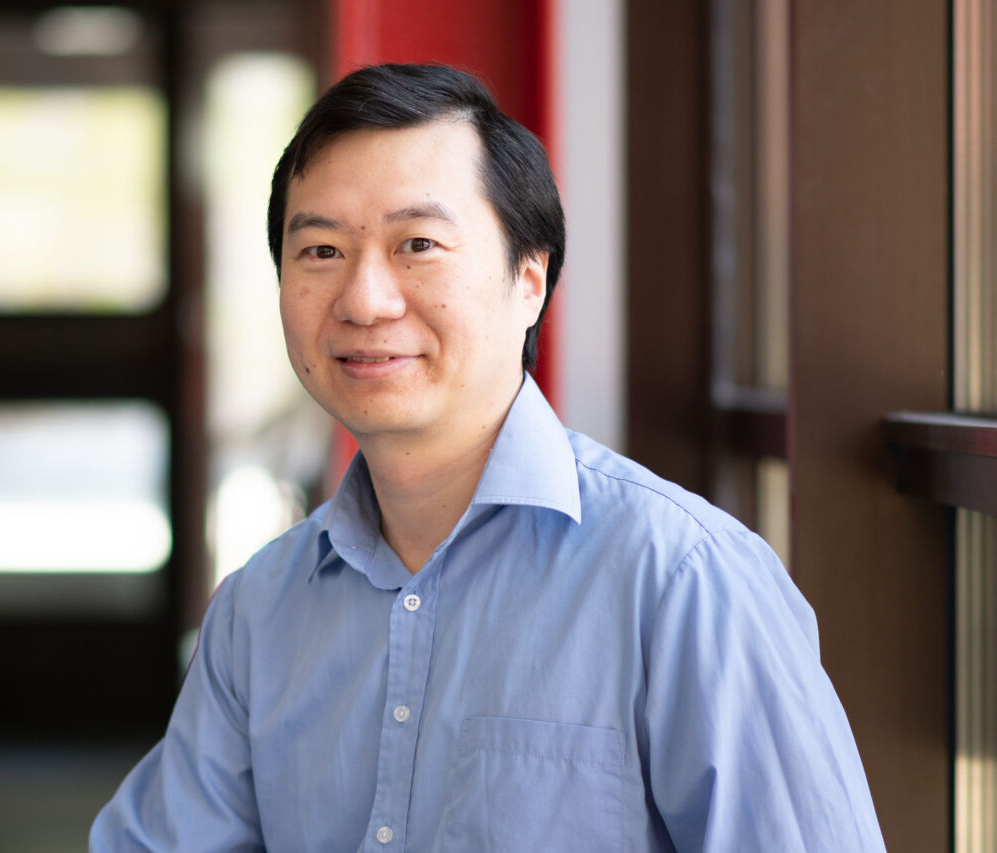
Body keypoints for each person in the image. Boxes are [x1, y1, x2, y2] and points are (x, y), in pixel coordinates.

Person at [92, 63, 885, 851]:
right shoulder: (257, 615)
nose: (366, 299)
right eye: (322, 251)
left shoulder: (684, 582)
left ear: (529, 281)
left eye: (419, 244)